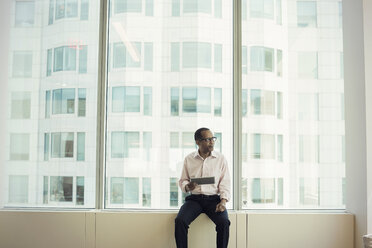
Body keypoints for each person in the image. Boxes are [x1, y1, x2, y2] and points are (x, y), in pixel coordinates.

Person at [175, 127, 231, 248]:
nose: (211, 142)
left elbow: (225, 183)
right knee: (180, 221)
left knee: (224, 222)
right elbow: (182, 180)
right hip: (195, 200)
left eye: (213, 139)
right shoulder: (189, 159)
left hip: (214, 200)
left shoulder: (220, 159)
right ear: (198, 142)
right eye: (207, 139)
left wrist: (223, 201)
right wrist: (187, 186)